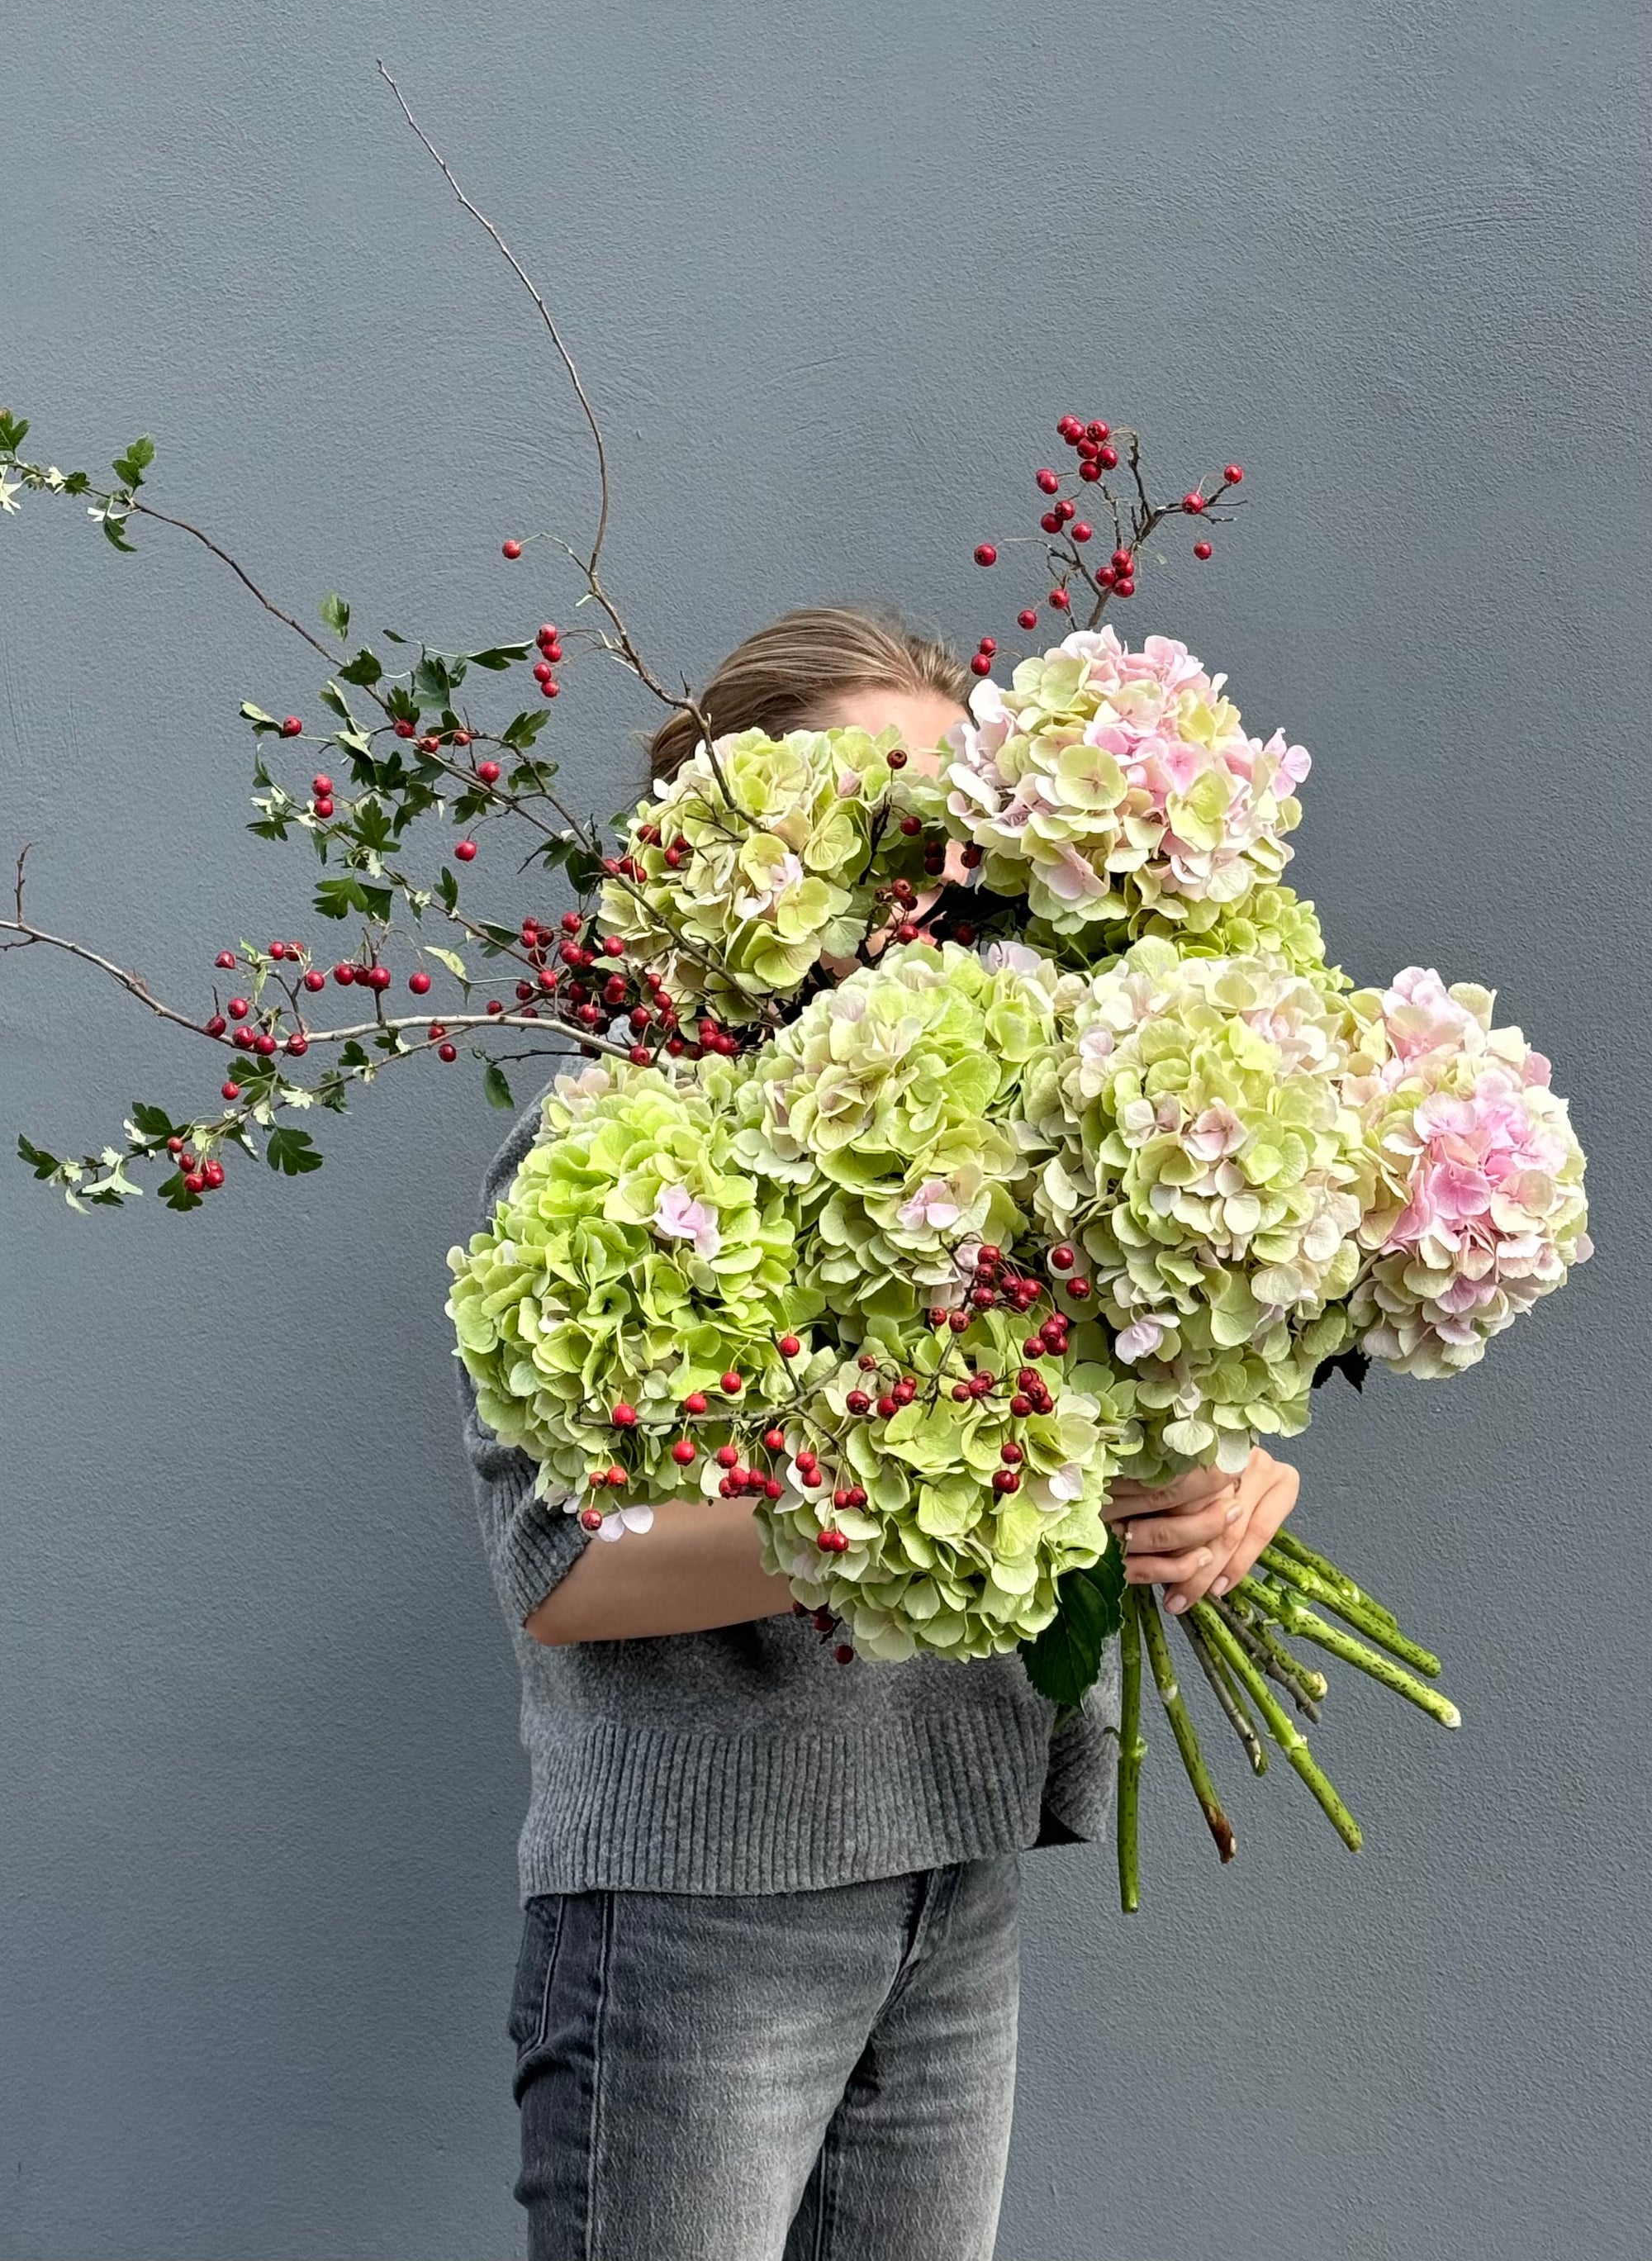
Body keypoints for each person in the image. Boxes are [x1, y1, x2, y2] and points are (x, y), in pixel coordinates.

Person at [458, 606, 1301, 2261]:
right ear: (736, 833)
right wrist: (927, 1499)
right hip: (695, 1915)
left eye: (942, 812)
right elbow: (561, 1570)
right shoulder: (618, 1143)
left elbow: (1130, 1404)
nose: (916, 864)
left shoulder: (1011, 1131)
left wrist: (1224, 1473)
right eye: (864, 805)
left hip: (953, 1870)